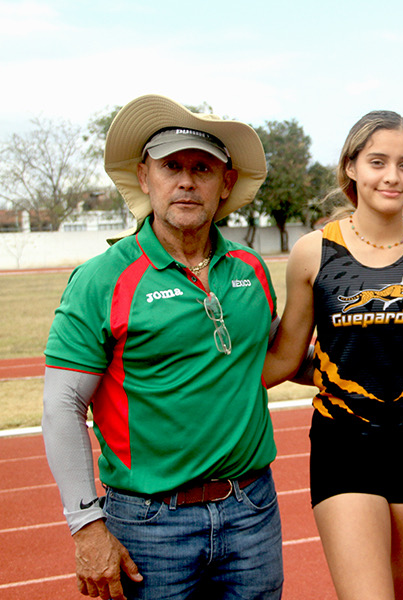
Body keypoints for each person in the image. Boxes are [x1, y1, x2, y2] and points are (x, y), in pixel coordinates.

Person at [42, 94, 282, 600]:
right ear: (145, 177)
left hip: (253, 510)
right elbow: (63, 406)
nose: (187, 181)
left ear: (227, 183)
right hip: (150, 523)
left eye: (203, 168)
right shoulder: (101, 280)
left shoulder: (251, 267)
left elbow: (274, 355)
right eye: (171, 166)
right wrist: (86, 525)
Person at [264, 110, 403, 600]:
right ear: (351, 166)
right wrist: (198, 376)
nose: (392, 176)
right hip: (344, 444)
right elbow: (287, 358)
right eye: (377, 161)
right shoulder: (314, 251)